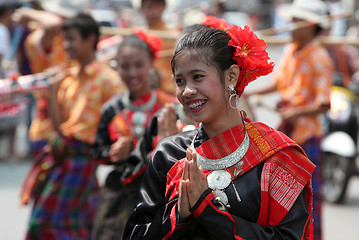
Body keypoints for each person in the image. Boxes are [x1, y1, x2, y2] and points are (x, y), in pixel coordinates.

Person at [123, 24, 317, 239]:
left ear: (232, 76)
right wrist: (179, 212)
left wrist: (207, 211)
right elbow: (136, 234)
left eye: (198, 77)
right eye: (180, 81)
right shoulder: (170, 153)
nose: (187, 91)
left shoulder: (278, 156)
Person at [24, 13, 124, 239]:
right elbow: (59, 127)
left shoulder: (108, 80)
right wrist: (51, 91)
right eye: (64, 39)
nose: (66, 45)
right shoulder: (67, 79)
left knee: (52, 224)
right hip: (63, 156)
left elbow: (122, 121)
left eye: (70, 39)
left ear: (90, 40)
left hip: (83, 160)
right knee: (54, 223)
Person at [249, 1, 334, 239]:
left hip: (306, 136)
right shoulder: (291, 50)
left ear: (311, 26)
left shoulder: (319, 58)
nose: (291, 25)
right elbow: (280, 83)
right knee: (282, 196)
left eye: (297, 21)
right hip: (288, 134)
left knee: (309, 198)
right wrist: (252, 92)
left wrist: (297, 112)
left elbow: (324, 104)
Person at [91, 31, 178, 239]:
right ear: (116, 67)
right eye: (125, 66)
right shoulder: (111, 109)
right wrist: (113, 153)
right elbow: (97, 150)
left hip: (161, 193)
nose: (132, 73)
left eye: (139, 65)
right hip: (119, 194)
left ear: (151, 64)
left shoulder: (169, 107)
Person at [140, 0, 178, 95]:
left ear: (163, 7)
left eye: (158, 7)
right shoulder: (137, 35)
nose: (154, 12)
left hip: (169, 92)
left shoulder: (173, 35)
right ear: (142, 8)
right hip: (142, 92)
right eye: (149, 7)